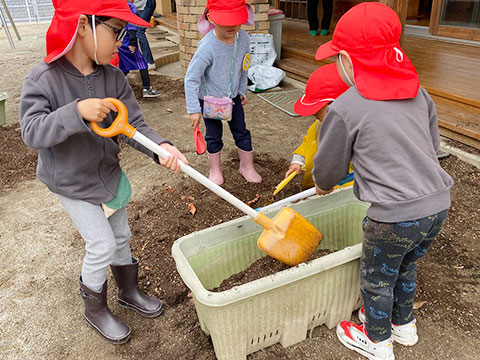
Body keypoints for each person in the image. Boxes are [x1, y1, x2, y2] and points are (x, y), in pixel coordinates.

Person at [20, 0, 188, 344]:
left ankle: (128, 291)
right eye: (115, 30)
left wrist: (162, 149)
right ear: (83, 25)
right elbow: (32, 131)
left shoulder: (112, 77)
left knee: (121, 237)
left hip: (108, 176)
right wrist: (76, 111)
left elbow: (134, 125)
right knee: (101, 244)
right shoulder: (43, 78)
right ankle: (95, 308)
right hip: (71, 181)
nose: (121, 41)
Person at [312, 3, 453, 360]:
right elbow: (432, 146)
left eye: (337, 58)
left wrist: (323, 185)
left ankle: (376, 341)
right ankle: (403, 326)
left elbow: (328, 166)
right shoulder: (420, 94)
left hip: (393, 215)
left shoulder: (347, 107)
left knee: (376, 278)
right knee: (404, 264)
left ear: (347, 58)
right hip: (436, 205)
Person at [184, 0, 262, 185]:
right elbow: (191, 79)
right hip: (210, 100)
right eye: (226, 20)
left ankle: (247, 166)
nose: (232, 25)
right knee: (213, 134)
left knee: (241, 130)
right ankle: (215, 169)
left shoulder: (243, 38)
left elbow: (244, 66)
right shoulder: (207, 47)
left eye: (236, 19)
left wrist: (242, 89)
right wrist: (194, 109)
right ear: (210, 17)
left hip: (233, 97)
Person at [286, 63, 349, 190]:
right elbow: (308, 144)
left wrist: (327, 184)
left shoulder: (355, 134)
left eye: (319, 109)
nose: (315, 115)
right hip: (319, 187)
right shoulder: (318, 126)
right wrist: (298, 161)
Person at [117, 0, 161, 98]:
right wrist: (132, 43)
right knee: (143, 64)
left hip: (119, 42)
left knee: (124, 67)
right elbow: (132, 26)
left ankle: (114, 89)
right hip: (127, 43)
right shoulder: (131, 7)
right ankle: (147, 89)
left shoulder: (119, 5)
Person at [134, 0, 156, 70]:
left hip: (146, 3)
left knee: (139, 32)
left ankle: (150, 62)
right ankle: (140, 61)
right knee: (135, 31)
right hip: (141, 4)